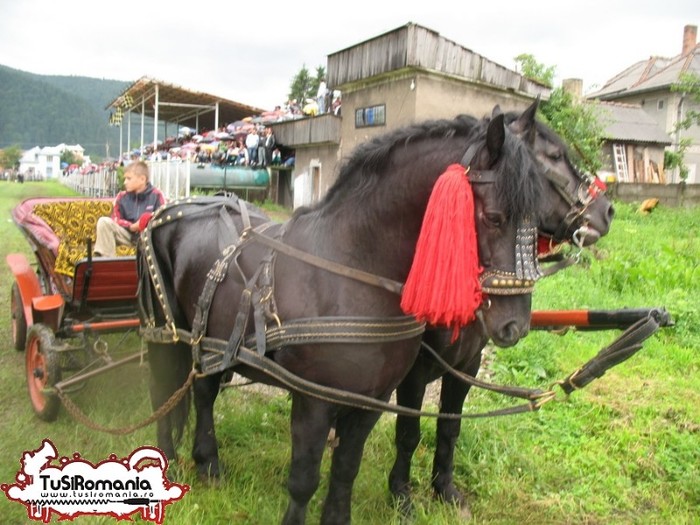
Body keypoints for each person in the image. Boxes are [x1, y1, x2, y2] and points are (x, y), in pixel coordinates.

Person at [94, 161, 165, 257]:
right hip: (127, 235)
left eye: (129, 179)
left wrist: (144, 225)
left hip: (148, 238)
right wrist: (132, 226)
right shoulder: (121, 196)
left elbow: (163, 219)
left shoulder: (156, 195)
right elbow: (115, 219)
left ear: (142, 179)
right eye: (125, 179)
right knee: (104, 222)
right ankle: (106, 266)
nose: (125, 182)